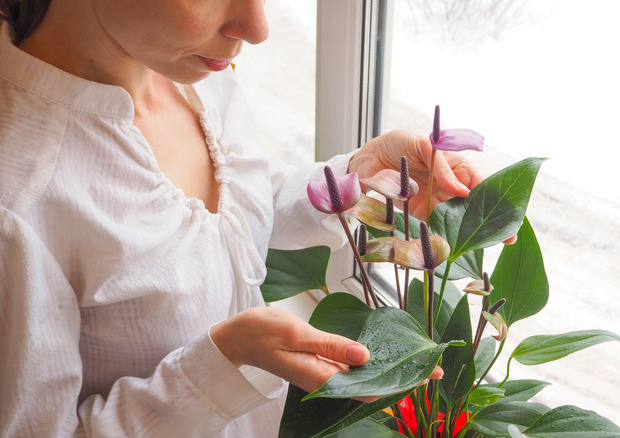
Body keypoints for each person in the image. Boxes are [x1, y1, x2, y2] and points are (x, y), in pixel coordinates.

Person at [0, 0, 484, 436]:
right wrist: (225, 361)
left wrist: (355, 181)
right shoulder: (19, 202)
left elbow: (222, 213)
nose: (257, 28)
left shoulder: (192, 72)